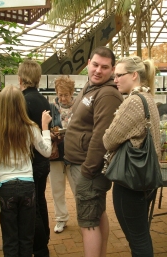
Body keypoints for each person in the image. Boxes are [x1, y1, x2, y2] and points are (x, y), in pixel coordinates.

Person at [64, 46, 124, 257]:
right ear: (88, 63)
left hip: (88, 168)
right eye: (95, 65)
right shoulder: (90, 86)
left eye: (105, 67)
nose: (98, 70)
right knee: (97, 214)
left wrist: (88, 171)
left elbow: (101, 138)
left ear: (113, 69)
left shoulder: (108, 94)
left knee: (88, 223)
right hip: (81, 165)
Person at [103, 56, 161, 256]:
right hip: (145, 177)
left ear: (134, 75)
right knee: (141, 233)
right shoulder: (148, 98)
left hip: (130, 181)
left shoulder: (133, 102)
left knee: (137, 239)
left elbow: (109, 140)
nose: (115, 79)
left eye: (119, 75)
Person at [0, 85, 52, 257]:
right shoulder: (30, 127)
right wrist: (45, 128)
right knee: (27, 238)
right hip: (27, 186)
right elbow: (47, 151)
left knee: (10, 238)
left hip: (5, 188)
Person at [18, 60, 51, 257]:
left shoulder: (21, 100)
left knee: (33, 206)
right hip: (42, 158)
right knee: (40, 200)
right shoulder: (43, 100)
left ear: (20, 78)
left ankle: (39, 246)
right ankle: (43, 238)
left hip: (30, 159)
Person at [48, 76, 76, 233]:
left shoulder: (78, 107)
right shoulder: (51, 107)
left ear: (72, 93)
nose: (63, 98)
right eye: (60, 94)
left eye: (66, 94)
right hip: (56, 153)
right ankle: (61, 218)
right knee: (57, 188)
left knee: (77, 187)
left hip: (73, 153)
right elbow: (46, 128)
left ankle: (83, 217)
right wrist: (53, 134)